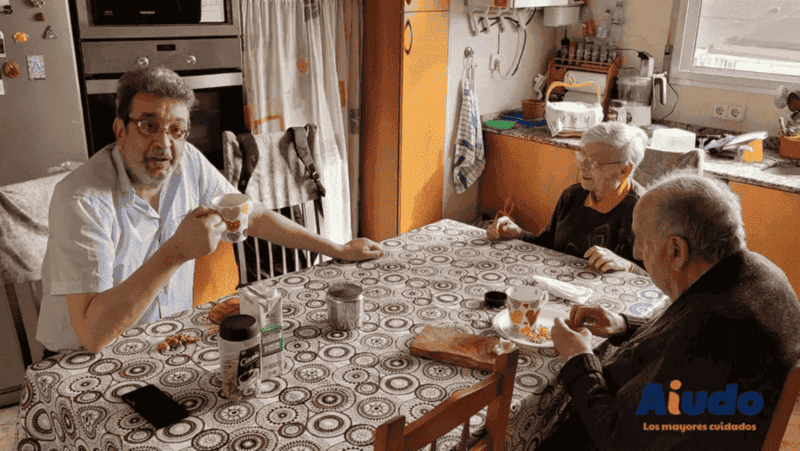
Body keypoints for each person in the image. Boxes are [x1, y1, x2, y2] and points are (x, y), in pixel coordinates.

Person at [36, 67, 384, 355]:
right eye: (149, 125)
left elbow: (253, 214)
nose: (164, 143)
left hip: (161, 341)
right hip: (81, 360)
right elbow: (93, 335)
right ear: (119, 130)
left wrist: (336, 249)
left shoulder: (187, 162)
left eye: (176, 130)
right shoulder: (80, 200)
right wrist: (176, 252)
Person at [545, 172, 800, 450]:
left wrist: (579, 358)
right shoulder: (761, 272)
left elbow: (620, 440)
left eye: (641, 240)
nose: (638, 253)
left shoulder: (708, 335)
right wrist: (623, 324)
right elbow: (683, 335)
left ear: (676, 251)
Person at [487, 122, 647, 274]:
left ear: (624, 170)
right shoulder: (572, 195)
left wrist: (628, 266)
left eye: (594, 163)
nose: (582, 166)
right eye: (582, 156)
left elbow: (663, 283)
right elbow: (547, 245)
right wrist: (519, 234)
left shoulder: (644, 210)